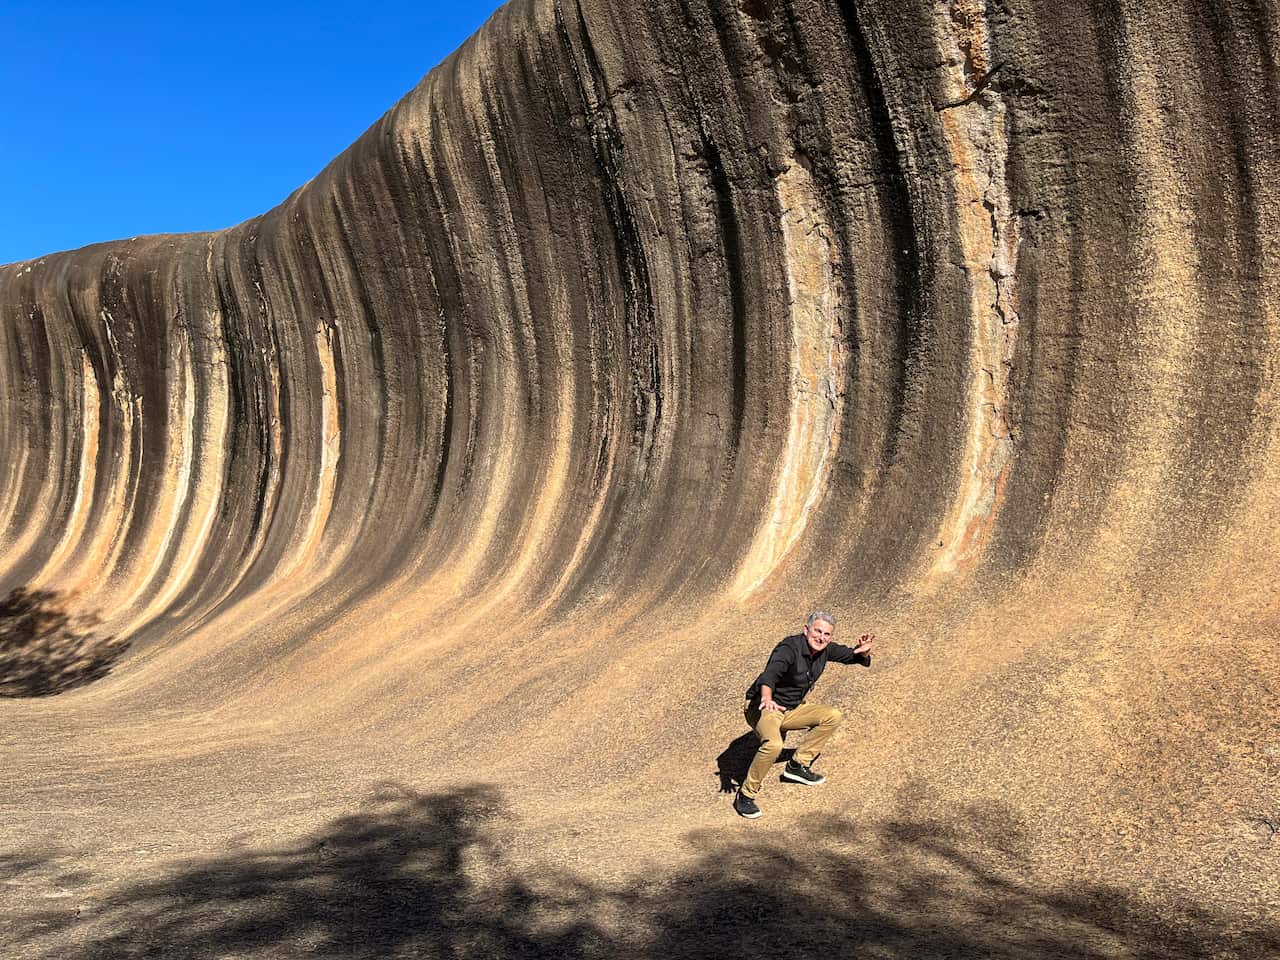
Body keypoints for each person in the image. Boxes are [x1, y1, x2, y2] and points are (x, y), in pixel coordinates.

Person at [734, 611, 874, 819]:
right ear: (806, 629)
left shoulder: (825, 649)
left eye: (827, 634)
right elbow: (770, 674)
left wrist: (862, 652)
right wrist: (766, 697)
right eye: (817, 631)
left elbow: (850, 655)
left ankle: (797, 765)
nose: (821, 637)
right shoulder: (789, 648)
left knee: (832, 716)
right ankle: (745, 795)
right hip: (764, 707)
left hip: (791, 709)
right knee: (773, 745)